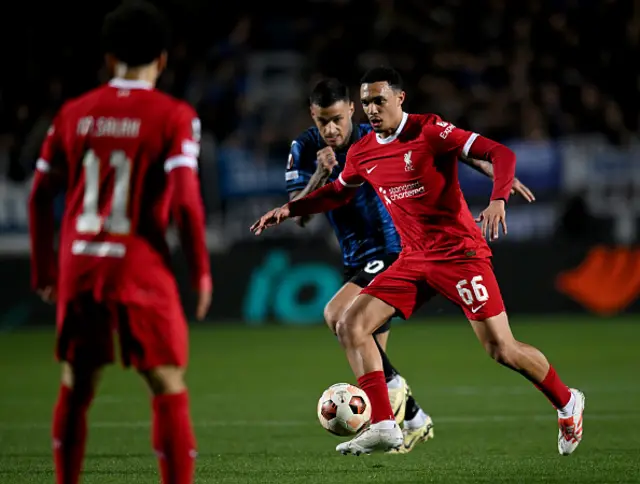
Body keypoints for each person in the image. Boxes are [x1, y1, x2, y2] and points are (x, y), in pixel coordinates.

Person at [252, 67, 584, 456]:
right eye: (366, 103)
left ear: (399, 98)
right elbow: (337, 194)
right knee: (350, 323)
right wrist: (289, 209)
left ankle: (567, 401)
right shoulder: (362, 152)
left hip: (460, 256)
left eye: (379, 100)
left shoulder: (430, 130)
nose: (372, 110)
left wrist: (497, 199)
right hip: (412, 260)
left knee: (501, 349)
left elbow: (499, 153)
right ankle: (383, 424)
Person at [28, 2, 211, 483]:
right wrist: (201, 270)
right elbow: (188, 202)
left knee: (76, 384)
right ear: (163, 59)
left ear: (109, 59)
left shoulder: (74, 112)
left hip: (81, 264)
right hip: (140, 265)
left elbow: (38, 193)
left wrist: (44, 270)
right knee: (167, 384)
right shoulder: (174, 115)